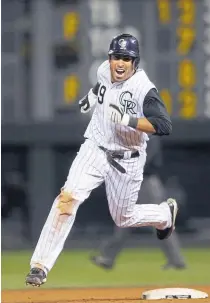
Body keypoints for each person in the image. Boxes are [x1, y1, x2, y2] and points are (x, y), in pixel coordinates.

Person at [25, 33, 178, 287]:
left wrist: (128, 120)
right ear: (109, 58)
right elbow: (100, 86)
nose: (119, 63)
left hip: (127, 159)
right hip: (94, 149)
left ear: (135, 62)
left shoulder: (144, 89)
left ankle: (164, 215)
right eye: (116, 57)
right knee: (68, 198)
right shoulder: (103, 70)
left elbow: (164, 125)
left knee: (123, 218)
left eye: (126, 59)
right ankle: (40, 265)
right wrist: (91, 98)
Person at [90, 137, 186, 270]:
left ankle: (176, 260)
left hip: (146, 183)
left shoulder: (149, 134)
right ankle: (107, 257)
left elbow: (143, 159)